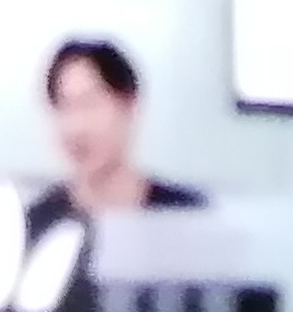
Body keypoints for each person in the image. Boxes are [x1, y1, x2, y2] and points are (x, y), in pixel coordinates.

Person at [20, 37, 205, 247]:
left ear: (130, 105)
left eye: (89, 104)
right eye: (64, 106)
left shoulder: (186, 217)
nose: (76, 126)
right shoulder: (36, 226)